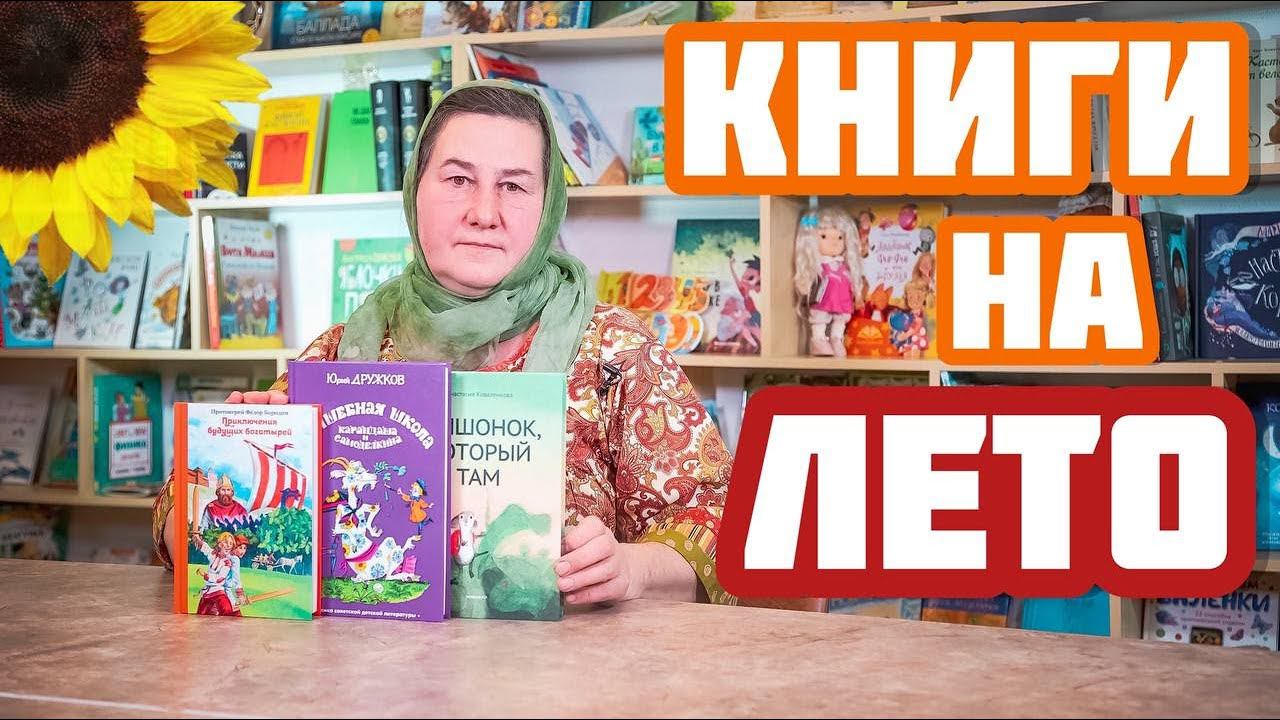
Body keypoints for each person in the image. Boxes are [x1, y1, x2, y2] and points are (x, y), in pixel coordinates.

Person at [154, 80, 736, 606]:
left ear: (548, 205)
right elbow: (176, 527)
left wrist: (631, 569)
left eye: (514, 186)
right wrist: (238, 451)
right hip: (369, 671)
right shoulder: (341, 352)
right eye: (459, 180)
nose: (485, 212)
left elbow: (721, 530)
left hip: (560, 675)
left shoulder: (616, 352)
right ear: (415, 192)